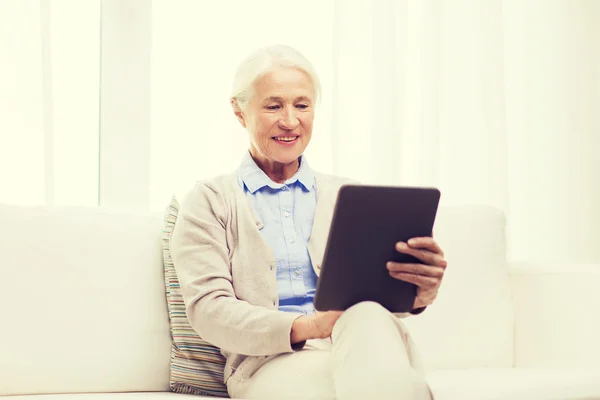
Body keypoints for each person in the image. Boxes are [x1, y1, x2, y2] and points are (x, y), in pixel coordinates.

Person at [170, 44, 447, 400]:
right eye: (273, 106)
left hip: (360, 345)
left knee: (366, 318)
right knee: (375, 381)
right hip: (268, 364)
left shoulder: (350, 196)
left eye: (301, 105)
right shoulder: (210, 200)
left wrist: (419, 292)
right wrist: (307, 326)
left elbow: (380, 298)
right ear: (239, 111)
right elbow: (209, 309)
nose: (289, 120)